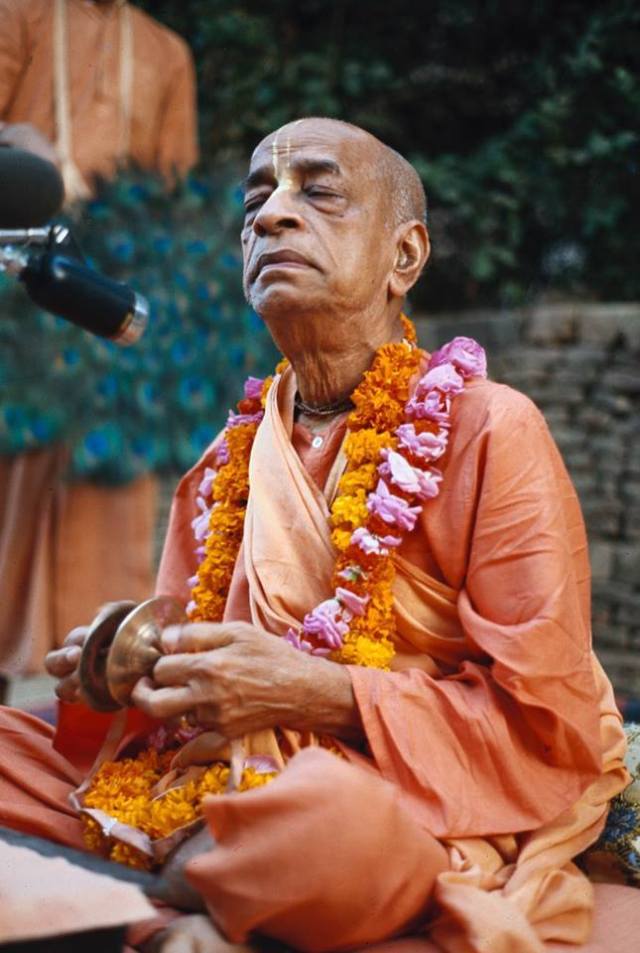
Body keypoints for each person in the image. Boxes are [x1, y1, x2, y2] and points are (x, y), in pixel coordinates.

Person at [0, 117, 637, 953]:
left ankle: (163, 894)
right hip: (209, 771)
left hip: (398, 791)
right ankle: (193, 885)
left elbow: (542, 721)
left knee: (325, 825)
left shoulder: (490, 429)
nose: (271, 216)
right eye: (256, 201)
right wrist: (127, 663)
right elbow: (190, 654)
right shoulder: (228, 455)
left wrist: (320, 695)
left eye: (318, 192)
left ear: (404, 258)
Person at [0, 0, 198, 681]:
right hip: (18, 281)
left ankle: (97, 677)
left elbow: (173, 188)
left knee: (108, 495)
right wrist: (33, 160)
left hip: (108, 293)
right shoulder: (18, 15)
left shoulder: (167, 51)